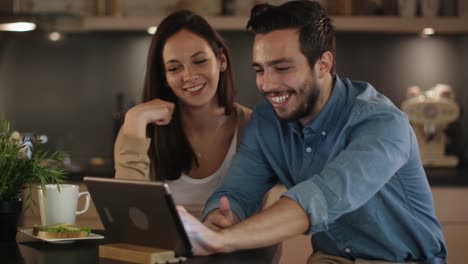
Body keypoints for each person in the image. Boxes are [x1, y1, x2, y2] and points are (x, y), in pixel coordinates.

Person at [177, 1, 447, 263]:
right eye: (260, 69)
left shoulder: (383, 123)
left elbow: (321, 197)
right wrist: (219, 218)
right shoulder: (267, 121)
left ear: (323, 64)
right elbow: (237, 192)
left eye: (282, 68)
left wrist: (224, 240)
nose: (267, 84)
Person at [114, 10, 251, 218]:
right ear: (164, 77)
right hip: (163, 251)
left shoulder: (250, 126)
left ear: (221, 59)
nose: (189, 76)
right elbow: (129, 215)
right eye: (174, 68)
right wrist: (134, 119)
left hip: (234, 250)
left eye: (200, 61)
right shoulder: (139, 128)